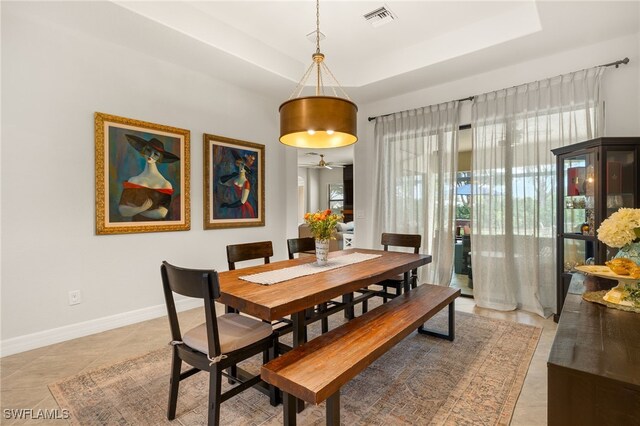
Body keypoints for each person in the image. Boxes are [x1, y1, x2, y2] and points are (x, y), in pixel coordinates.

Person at [118, 134, 179, 221]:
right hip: (134, 228)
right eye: (148, 150)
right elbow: (122, 210)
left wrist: (135, 210)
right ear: (143, 151)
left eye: (156, 154)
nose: (150, 155)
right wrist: (142, 208)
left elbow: (162, 213)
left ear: (160, 157)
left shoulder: (165, 184)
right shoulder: (133, 180)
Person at [218, 151, 256, 218]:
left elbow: (242, 201)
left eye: (244, 166)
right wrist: (231, 176)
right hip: (236, 208)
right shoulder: (235, 179)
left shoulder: (246, 183)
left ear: (246, 168)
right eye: (241, 164)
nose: (242, 167)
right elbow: (221, 181)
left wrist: (228, 205)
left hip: (244, 209)